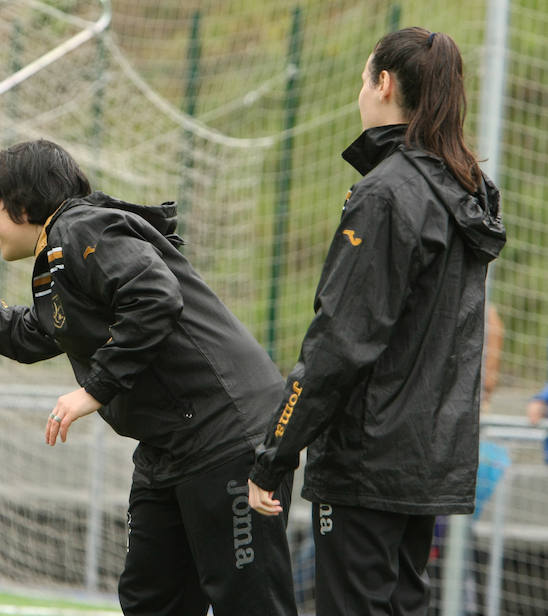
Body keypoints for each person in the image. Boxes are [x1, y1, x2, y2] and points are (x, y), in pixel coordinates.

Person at [0, 139, 298, 616]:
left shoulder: (80, 228)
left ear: (23, 202)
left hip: (226, 438)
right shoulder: (60, 258)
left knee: (250, 604)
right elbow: (27, 336)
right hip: (170, 448)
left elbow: (154, 297)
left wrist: (94, 389)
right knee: (151, 601)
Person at [246, 27, 506, 616]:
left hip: (368, 462)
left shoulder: (386, 194)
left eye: (364, 78)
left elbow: (340, 340)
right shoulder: (463, 194)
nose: (360, 92)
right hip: (426, 461)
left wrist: (274, 454)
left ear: (384, 84)